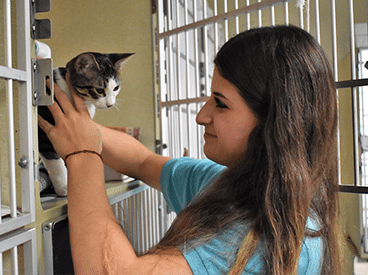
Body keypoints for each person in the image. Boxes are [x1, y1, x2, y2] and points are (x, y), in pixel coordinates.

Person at [38, 25, 343, 274]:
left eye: (220, 103)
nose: (201, 116)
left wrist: (82, 156)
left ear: (276, 124)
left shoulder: (264, 238)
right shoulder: (223, 184)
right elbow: (142, 160)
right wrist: (78, 127)